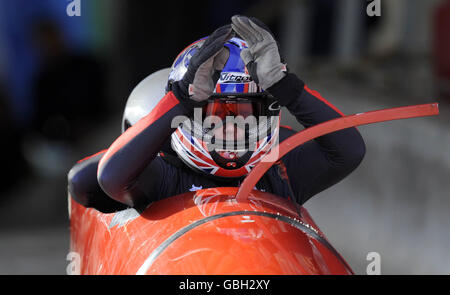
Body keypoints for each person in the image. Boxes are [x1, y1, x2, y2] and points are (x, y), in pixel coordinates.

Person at [68, 16, 365, 213]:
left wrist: (287, 88)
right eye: (216, 116)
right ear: (184, 116)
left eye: (245, 114)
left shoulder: (280, 169)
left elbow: (348, 151)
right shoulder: (165, 175)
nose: (232, 128)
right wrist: (181, 99)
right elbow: (100, 180)